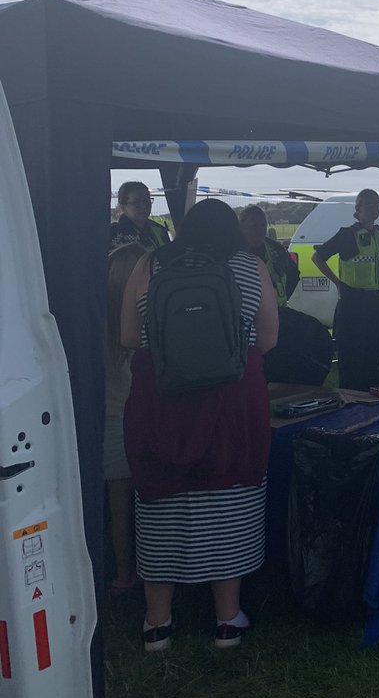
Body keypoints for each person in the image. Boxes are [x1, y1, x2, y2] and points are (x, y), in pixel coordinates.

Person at [121, 198, 278, 650]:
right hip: (231, 401)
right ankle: (227, 618)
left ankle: (158, 622)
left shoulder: (150, 264)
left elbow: (130, 337)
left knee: (161, 494)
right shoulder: (250, 267)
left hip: (161, 401)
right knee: (228, 490)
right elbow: (268, 339)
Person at [312, 189, 379, 391]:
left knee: (374, 354)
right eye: (369, 205)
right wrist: (337, 282)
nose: (374, 209)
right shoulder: (347, 235)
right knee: (352, 357)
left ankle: (374, 396)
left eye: (377, 205)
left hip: (375, 302)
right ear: (357, 209)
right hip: (353, 304)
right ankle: (351, 399)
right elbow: (317, 257)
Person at [104, 242, 146, 595]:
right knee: (127, 505)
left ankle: (121, 572)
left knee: (117, 506)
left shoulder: (96, 320)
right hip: (126, 418)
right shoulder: (134, 320)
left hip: (108, 418)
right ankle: (126, 573)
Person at [238, 204, 299, 307]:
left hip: (276, 311)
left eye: (263, 225)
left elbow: (294, 274)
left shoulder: (275, 249)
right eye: (253, 226)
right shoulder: (231, 251)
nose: (259, 230)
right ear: (240, 227)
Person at [109, 180, 171, 252]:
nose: (144, 206)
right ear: (123, 207)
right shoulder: (115, 236)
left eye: (146, 201)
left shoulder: (159, 230)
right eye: (136, 202)